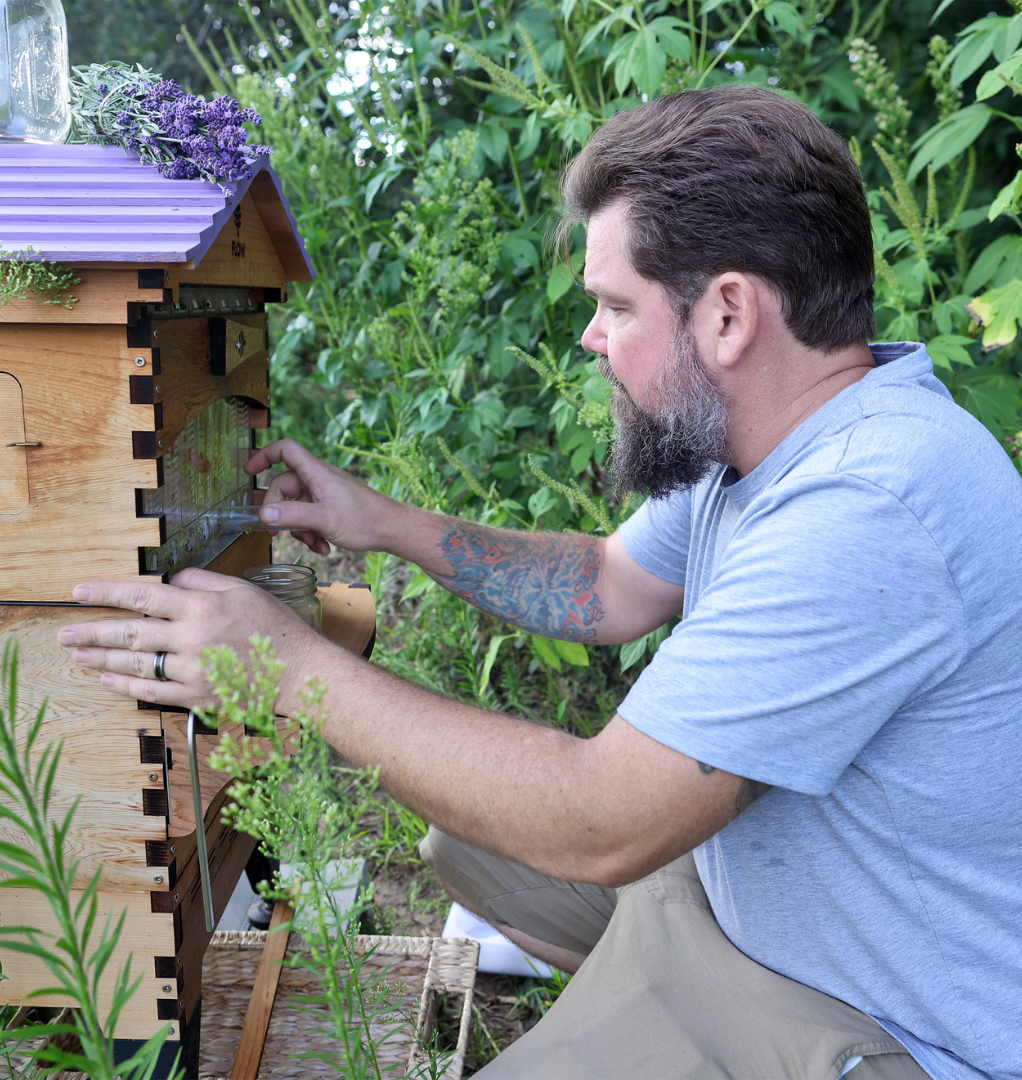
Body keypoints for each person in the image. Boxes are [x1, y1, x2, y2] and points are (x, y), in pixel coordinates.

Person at [58, 87, 1022, 1079]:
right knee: (467, 848)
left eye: (615, 307)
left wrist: (289, 669)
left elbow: (600, 823)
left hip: (874, 1015)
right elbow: (608, 585)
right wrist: (386, 526)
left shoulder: (870, 506)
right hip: (761, 894)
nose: (591, 339)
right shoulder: (768, 446)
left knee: (544, 838)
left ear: (730, 312)